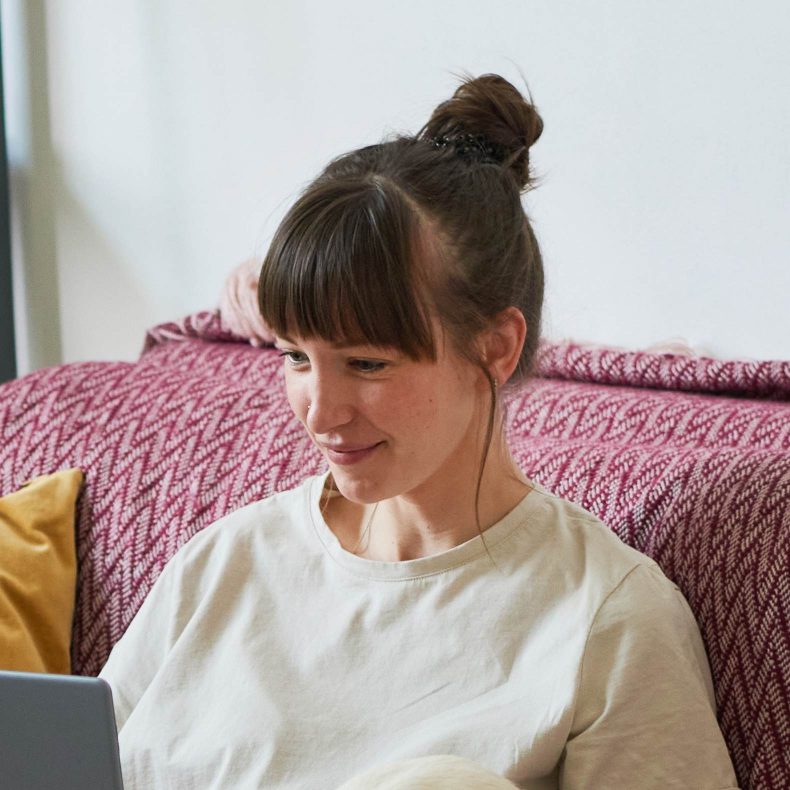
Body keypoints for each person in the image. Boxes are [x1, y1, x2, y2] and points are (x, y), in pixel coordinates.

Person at [99, 73, 739, 789]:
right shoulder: (226, 565)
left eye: (367, 362)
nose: (320, 410)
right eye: (297, 357)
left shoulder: (604, 619)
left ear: (495, 348)